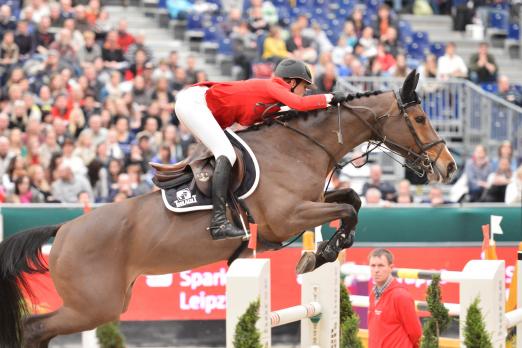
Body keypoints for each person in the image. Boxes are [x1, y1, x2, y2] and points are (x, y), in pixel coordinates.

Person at [174, 58, 345, 240]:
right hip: (194, 103)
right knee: (226, 153)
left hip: (197, 105)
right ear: (292, 82)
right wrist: (331, 98)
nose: (305, 92)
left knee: (228, 153)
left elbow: (291, 111)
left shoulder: (273, 99)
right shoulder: (274, 86)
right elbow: (300, 104)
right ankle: (218, 223)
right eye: (304, 86)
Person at [368, 248, 422, 348]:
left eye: (381, 265)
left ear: (391, 267)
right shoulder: (373, 293)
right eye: (373, 266)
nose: (376, 270)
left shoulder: (401, 296)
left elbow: (416, 333)